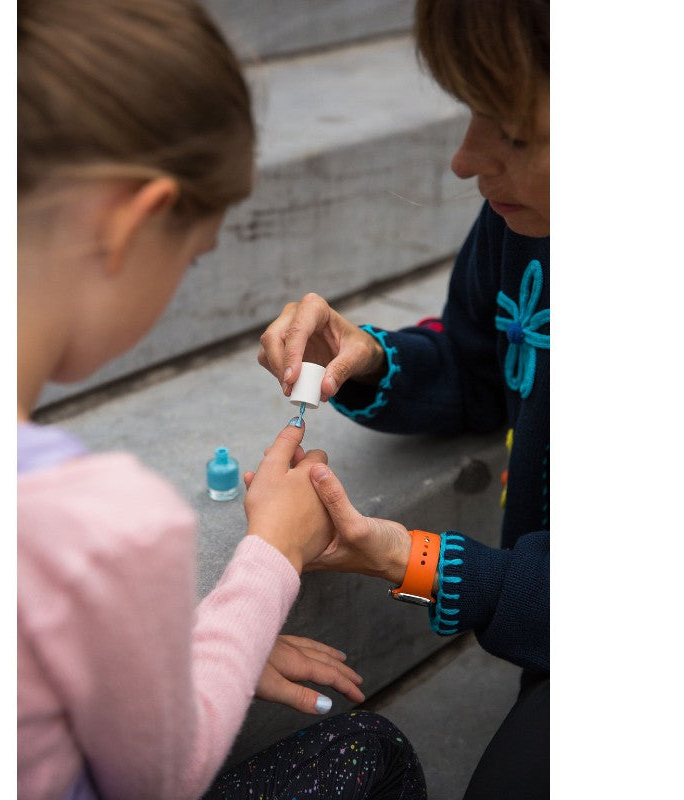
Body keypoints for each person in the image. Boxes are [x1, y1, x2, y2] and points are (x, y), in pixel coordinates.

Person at [17, 1, 426, 799]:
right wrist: (272, 553)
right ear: (132, 226)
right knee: (369, 752)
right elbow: (162, 774)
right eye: (194, 256)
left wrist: (193, 645)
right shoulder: (97, 525)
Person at [256, 0, 550, 797]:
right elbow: (479, 362)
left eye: (516, 134)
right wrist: (375, 359)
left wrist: (405, 556)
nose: (463, 160)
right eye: (471, 113)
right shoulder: (522, 226)